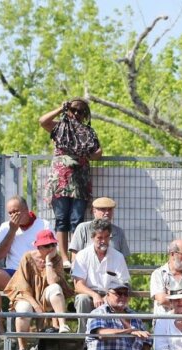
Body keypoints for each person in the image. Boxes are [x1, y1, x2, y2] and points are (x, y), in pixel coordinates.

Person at [40, 99, 103, 257]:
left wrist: (88, 154)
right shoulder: (60, 127)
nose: (76, 113)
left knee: (77, 220)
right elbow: (42, 121)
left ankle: (76, 256)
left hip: (79, 182)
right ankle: (63, 257)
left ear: (85, 114)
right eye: (73, 110)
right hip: (60, 181)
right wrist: (60, 109)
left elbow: (98, 152)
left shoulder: (88, 133)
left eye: (80, 111)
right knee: (61, 219)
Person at [4, 228, 72, 350]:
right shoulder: (27, 257)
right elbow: (22, 287)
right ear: (38, 247)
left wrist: (48, 262)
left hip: (46, 296)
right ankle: (22, 347)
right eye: (47, 245)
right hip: (26, 296)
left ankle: (63, 325)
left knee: (55, 288)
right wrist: (36, 306)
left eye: (53, 244)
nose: (51, 248)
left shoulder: (56, 259)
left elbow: (53, 282)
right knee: (24, 310)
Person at [0, 196, 54, 321]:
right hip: (14, 273)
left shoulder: (43, 224)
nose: (14, 215)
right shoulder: (5, 227)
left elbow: (52, 250)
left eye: (16, 211)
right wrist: (12, 231)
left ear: (26, 209)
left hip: (37, 274)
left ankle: (50, 327)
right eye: (11, 213)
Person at [71, 220, 130, 315]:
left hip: (112, 295)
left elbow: (124, 283)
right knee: (82, 299)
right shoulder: (82, 255)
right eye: (100, 238)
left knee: (117, 301)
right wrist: (95, 295)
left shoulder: (118, 256)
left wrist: (108, 297)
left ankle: (113, 329)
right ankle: (83, 330)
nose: (103, 241)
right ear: (92, 237)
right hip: (89, 294)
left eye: (107, 237)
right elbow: (78, 285)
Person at [85, 279, 150, 350]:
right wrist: (129, 331)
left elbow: (146, 343)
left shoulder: (135, 316)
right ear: (108, 294)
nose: (123, 296)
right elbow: (101, 334)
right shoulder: (99, 312)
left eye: (125, 294)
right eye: (119, 293)